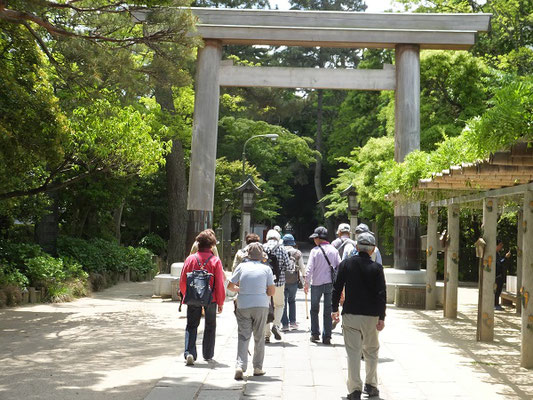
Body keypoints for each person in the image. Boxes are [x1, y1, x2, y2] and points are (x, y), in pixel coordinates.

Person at [332, 231, 386, 400]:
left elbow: (337, 287)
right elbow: (381, 294)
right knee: (371, 351)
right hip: (371, 316)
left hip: (351, 314)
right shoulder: (377, 268)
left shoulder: (346, 264)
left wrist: (334, 309)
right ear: (373, 250)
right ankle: (371, 385)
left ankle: (355, 390)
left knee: (353, 353)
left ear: (356, 247)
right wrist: (382, 317)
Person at [228, 242, 275, 380]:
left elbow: (230, 286)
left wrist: (240, 289)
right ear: (261, 256)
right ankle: (257, 367)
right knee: (259, 337)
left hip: (243, 304)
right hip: (261, 305)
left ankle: (240, 366)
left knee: (243, 336)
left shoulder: (241, 267)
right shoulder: (266, 269)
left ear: (247, 255)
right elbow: (271, 291)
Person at [179, 229, 226, 366]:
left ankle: (190, 353)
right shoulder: (215, 261)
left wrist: (186, 295)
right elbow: (219, 283)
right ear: (211, 246)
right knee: (210, 325)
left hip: (193, 296)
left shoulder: (190, 259)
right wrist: (220, 301)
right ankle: (208, 354)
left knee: (191, 325)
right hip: (210, 298)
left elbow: (183, 280)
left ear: (198, 243)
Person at [304, 226, 341, 345]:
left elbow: (309, 269)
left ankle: (315, 333)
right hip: (330, 283)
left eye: (315, 238)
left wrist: (306, 283)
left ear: (319, 238)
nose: (314, 240)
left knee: (314, 309)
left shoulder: (315, 251)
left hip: (316, 284)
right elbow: (339, 267)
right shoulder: (334, 250)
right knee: (328, 310)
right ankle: (327, 336)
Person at [263, 229, 291, 342]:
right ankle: (276, 325)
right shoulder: (282, 249)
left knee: (265, 307)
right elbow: (289, 266)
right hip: (279, 282)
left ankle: (266, 335)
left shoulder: (262, 247)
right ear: (278, 238)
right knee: (279, 305)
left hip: (263, 283)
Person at [281, 234, 305, 331]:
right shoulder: (297, 253)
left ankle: (285, 325)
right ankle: (293, 322)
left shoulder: (280, 251)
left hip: (282, 280)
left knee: (283, 302)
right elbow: (302, 267)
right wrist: (304, 277)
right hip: (293, 280)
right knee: (292, 300)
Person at [495, 238, 511, 311]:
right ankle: (495, 304)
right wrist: (505, 258)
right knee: (496, 290)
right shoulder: (493, 253)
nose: (501, 246)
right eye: (500, 245)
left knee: (498, 291)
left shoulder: (497, 254)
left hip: (499, 276)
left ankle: (496, 304)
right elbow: (498, 264)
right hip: (496, 276)